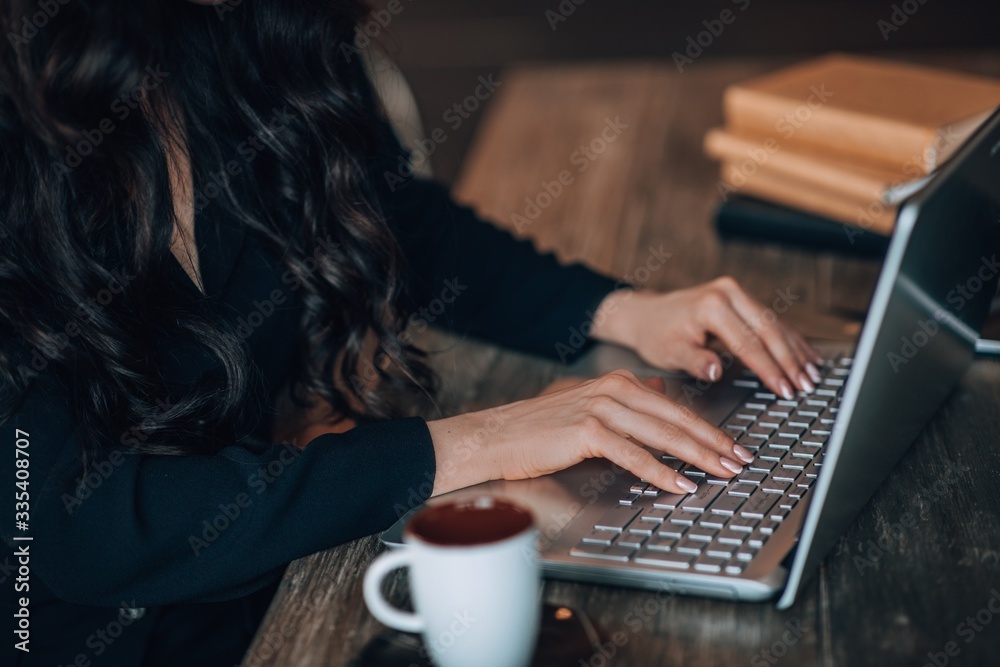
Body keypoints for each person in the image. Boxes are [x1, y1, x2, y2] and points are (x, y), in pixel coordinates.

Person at [0, 1, 822, 664]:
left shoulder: (252, 26)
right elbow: (80, 525)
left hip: (279, 575)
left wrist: (620, 310)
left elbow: (392, 217)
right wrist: (477, 441)